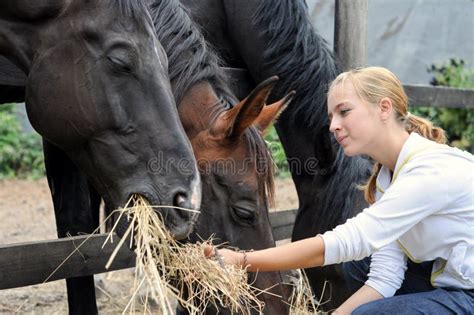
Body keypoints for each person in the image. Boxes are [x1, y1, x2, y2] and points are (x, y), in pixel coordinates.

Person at [204, 67, 474, 314]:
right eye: (331, 116)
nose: (333, 125)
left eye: (344, 112)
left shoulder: (429, 171)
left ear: (383, 108)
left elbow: (346, 242)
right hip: (450, 279)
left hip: (468, 291)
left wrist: (242, 259)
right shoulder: (387, 177)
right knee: (358, 267)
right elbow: (386, 275)